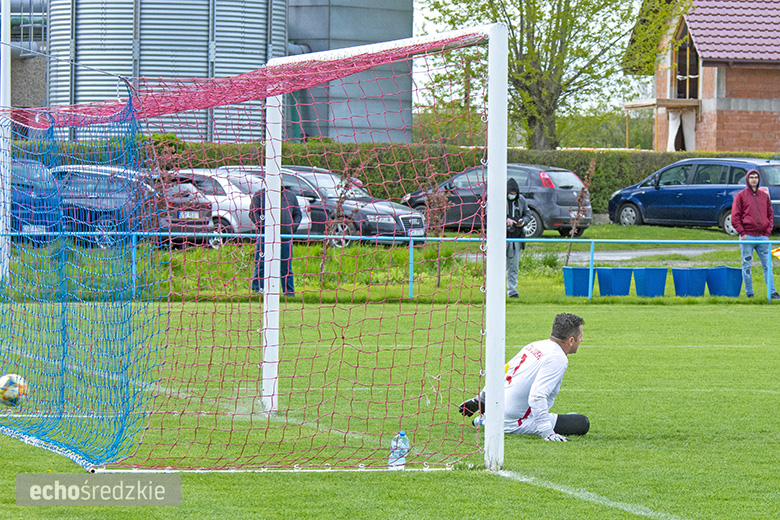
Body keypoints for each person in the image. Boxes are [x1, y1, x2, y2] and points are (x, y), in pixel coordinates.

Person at [457, 313, 590, 441]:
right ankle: (488, 420)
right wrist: (547, 432)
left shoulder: (535, 345)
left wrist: (481, 399)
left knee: (569, 418)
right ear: (571, 340)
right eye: (580, 337)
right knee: (581, 423)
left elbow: (503, 371)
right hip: (514, 421)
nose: (582, 340)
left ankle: (487, 417)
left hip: (498, 407)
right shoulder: (558, 358)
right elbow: (537, 396)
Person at [731, 169, 780, 300]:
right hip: (747, 237)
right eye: (751, 177)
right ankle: (749, 293)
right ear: (747, 179)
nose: (754, 179)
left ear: (759, 180)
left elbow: (770, 214)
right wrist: (742, 233)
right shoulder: (740, 196)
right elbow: (734, 217)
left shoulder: (764, 196)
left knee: (768, 265)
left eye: (756, 177)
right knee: (746, 265)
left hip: (763, 238)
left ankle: (772, 292)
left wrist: (767, 232)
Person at [250, 184, 302, 296]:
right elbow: (253, 213)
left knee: (286, 266)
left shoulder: (290, 196)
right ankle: (257, 291)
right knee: (261, 264)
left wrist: (291, 227)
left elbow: (298, 214)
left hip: (285, 236)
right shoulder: (259, 195)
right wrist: (262, 227)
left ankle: (289, 293)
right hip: (265, 237)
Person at [506, 178, 529, 298]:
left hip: (516, 237)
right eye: (510, 194)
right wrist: (505, 220)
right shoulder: (499, 199)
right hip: (502, 238)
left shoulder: (522, 200)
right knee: (499, 266)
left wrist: (523, 221)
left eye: (514, 194)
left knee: (513, 267)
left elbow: (528, 214)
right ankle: (496, 290)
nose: (512, 196)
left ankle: (512, 291)